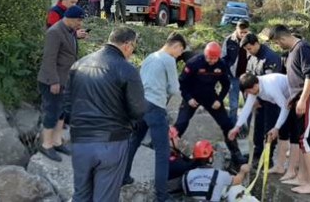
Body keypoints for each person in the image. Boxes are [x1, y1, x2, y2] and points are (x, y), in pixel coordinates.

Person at [65, 26, 145, 202]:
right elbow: (138, 110)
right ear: (127, 45)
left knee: (80, 196)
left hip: (80, 141)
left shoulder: (78, 65)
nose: (132, 52)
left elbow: (66, 104)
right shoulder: (127, 70)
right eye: (133, 48)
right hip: (111, 143)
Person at [124, 32, 187, 202]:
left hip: (140, 105)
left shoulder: (151, 57)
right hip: (155, 107)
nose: (180, 55)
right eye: (180, 51)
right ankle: (162, 196)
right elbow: (174, 89)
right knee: (162, 152)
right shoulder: (168, 59)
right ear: (176, 46)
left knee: (134, 142)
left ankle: (124, 176)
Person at [268, 25, 310, 195]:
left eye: (278, 43)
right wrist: (292, 99)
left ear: (282, 38)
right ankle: (302, 177)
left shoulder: (303, 48)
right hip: (302, 99)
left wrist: (302, 99)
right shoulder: (293, 51)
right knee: (302, 139)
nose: (279, 46)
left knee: (307, 139)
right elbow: (297, 79)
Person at [173, 42, 247, 166]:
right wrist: (188, 98)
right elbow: (183, 83)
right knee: (181, 124)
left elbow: (226, 84)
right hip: (192, 96)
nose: (211, 61)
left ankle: (236, 153)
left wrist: (220, 99)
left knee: (227, 124)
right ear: (205, 55)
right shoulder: (194, 62)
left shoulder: (221, 64)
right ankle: (170, 152)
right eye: (209, 58)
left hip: (211, 97)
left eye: (214, 59)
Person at [37, 5, 85, 162]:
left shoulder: (69, 31)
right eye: (79, 21)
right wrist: (54, 81)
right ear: (70, 18)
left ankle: (57, 141)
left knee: (62, 112)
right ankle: (46, 145)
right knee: (51, 112)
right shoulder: (55, 32)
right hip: (52, 81)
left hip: (65, 79)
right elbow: (49, 59)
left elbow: (69, 50)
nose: (80, 25)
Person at [228, 73, 292, 175]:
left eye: (249, 91)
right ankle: (280, 166)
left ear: (255, 86)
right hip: (284, 101)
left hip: (293, 98)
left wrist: (276, 127)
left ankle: (298, 165)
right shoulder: (254, 87)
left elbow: (285, 107)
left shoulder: (270, 86)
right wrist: (237, 127)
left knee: (293, 133)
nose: (250, 94)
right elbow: (247, 108)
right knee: (283, 134)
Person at [239, 32, 283, 164]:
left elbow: (271, 84)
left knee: (269, 127)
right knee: (258, 127)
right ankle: (257, 152)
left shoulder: (270, 58)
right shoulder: (251, 57)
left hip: (271, 100)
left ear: (256, 43)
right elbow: (248, 75)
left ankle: (268, 158)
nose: (249, 52)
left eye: (249, 49)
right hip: (258, 99)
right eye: (247, 50)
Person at [182, 140, 251, 202]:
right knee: (235, 188)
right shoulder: (221, 175)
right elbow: (238, 180)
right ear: (211, 158)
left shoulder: (186, 176)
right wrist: (242, 171)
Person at [221, 20, 251, 124]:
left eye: (245, 32)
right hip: (233, 77)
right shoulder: (229, 40)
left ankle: (246, 128)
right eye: (241, 31)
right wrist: (227, 73)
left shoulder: (251, 40)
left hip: (248, 77)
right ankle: (233, 127)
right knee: (234, 105)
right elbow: (223, 59)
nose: (243, 34)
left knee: (249, 104)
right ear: (236, 29)